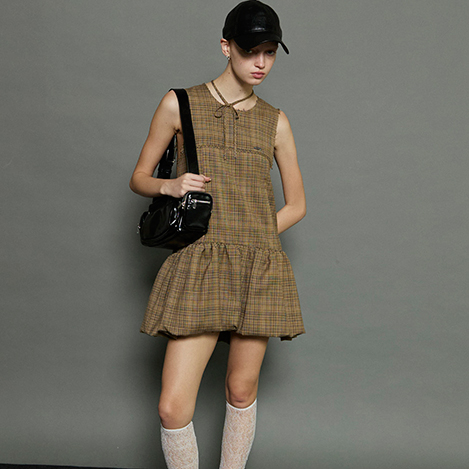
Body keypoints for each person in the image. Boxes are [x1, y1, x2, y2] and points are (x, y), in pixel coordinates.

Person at [129, 1, 306, 467]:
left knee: (241, 389)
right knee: (172, 407)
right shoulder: (180, 103)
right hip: (200, 261)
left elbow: (297, 205)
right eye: (251, 51)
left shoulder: (275, 120)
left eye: (270, 52)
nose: (261, 63)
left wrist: (254, 236)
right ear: (226, 47)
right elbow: (139, 178)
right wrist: (170, 185)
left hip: (257, 266)